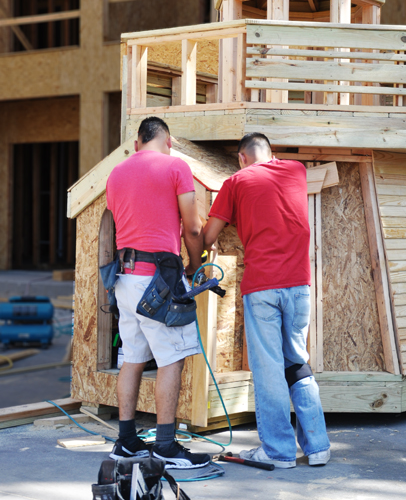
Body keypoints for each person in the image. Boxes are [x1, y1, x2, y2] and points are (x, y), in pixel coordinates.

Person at [203, 133, 331, 468]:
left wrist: (206, 245)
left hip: (262, 288)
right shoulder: (296, 170)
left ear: (241, 157)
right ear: (270, 153)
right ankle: (317, 447)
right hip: (300, 286)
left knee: (269, 369)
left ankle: (278, 451)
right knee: (297, 363)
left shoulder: (236, 181)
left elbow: (209, 234)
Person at [105, 116, 209, 469]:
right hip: (160, 279)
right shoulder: (175, 166)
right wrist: (195, 265)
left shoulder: (116, 174)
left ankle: (126, 441)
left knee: (133, 356)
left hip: (125, 278)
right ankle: (165, 445)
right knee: (171, 358)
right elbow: (192, 228)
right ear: (169, 140)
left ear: (137, 144)